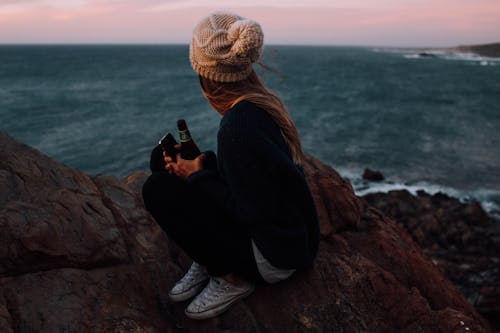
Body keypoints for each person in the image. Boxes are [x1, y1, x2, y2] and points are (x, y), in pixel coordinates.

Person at [142, 11, 319, 320]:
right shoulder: (260, 105)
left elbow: (250, 212)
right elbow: (255, 183)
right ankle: (207, 253)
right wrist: (204, 166)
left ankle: (230, 277)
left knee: (157, 189)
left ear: (206, 75)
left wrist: (199, 176)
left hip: (274, 255)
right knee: (163, 163)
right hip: (290, 238)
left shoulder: (237, 128)